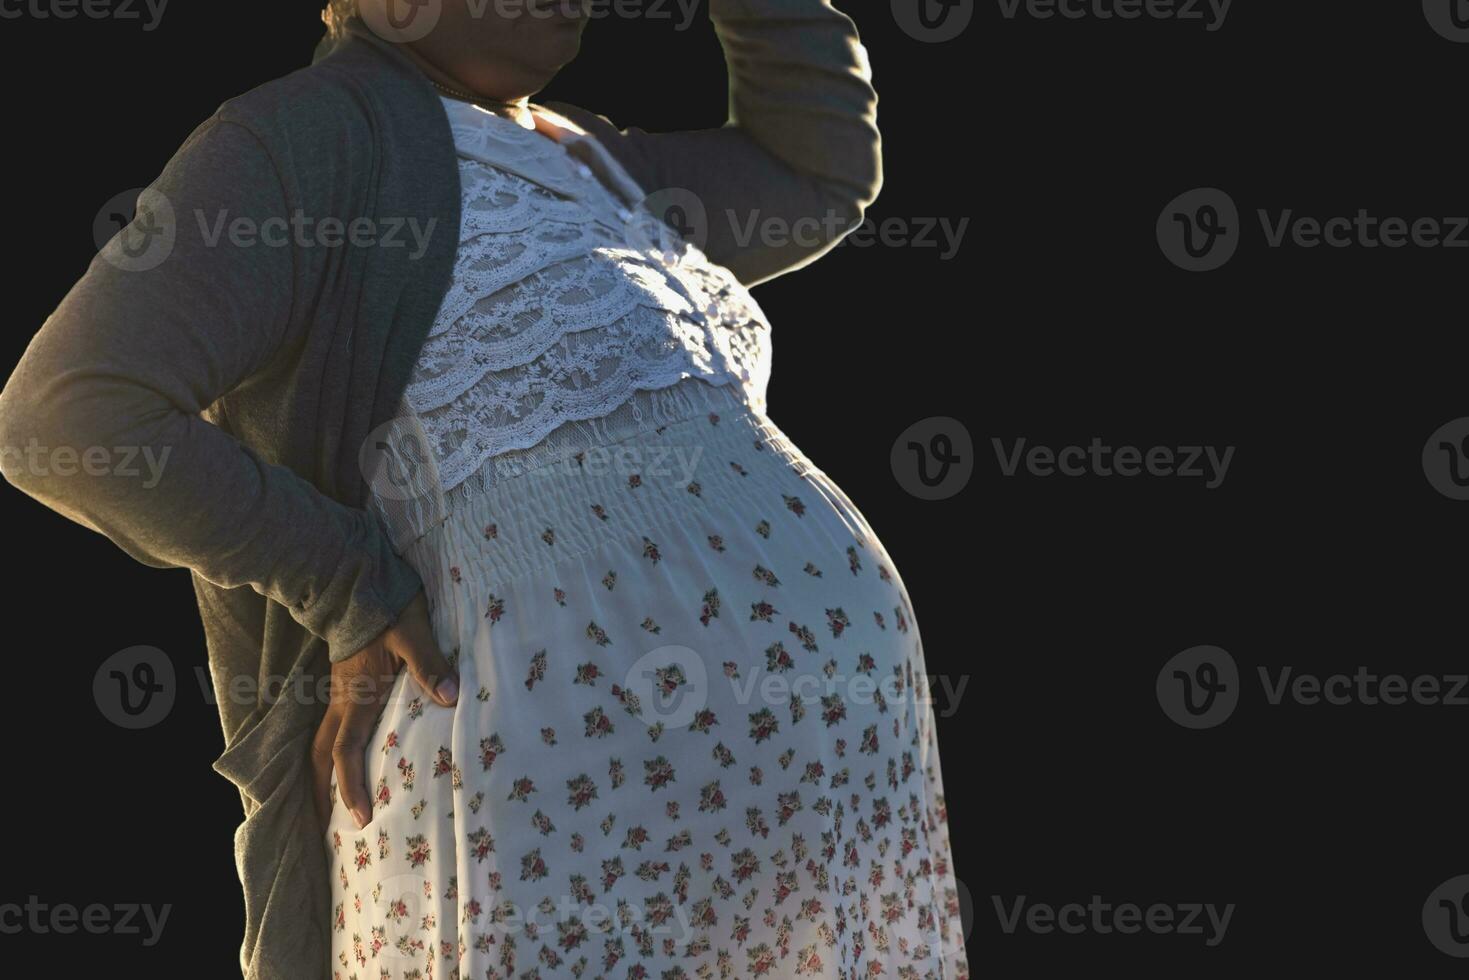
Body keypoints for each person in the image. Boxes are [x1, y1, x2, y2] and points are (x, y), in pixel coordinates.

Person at [0, 1, 968, 976]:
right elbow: (67, 417)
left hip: (802, 831)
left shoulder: (584, 156)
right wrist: (343, 582)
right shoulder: (311, 140)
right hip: (549, 823)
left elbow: (818, 171)